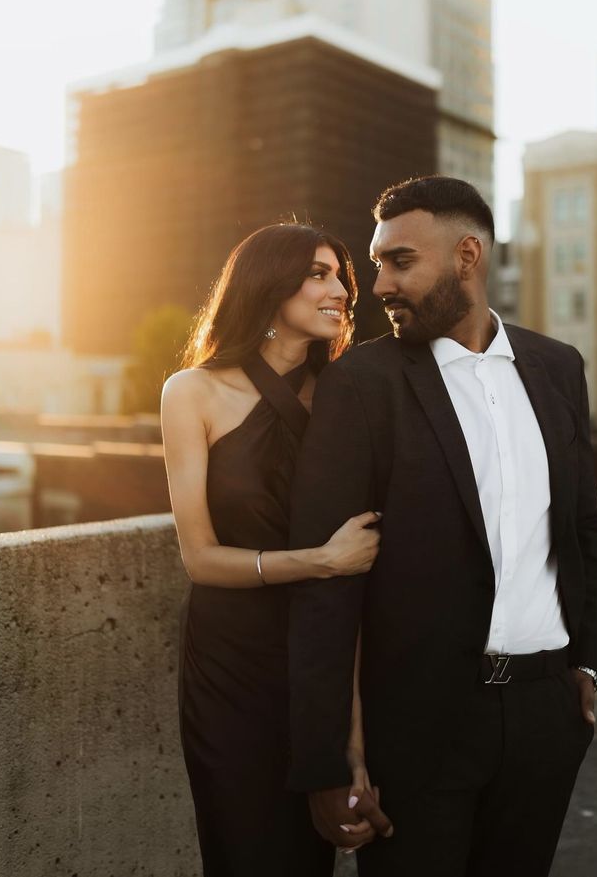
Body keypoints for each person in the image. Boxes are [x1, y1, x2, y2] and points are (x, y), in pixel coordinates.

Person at [286, 176, 597, 876]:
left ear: (467, 255)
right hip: (416, 731)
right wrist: (324, 760)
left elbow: (584, 526)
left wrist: (586, 664)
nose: (377, 284)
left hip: (543, 716)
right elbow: (324, 584)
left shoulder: (558, 368)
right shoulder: (360, 383)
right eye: (376, 264)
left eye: (399, 260)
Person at [160, 223, 386, 876]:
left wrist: (353, 737)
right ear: (267, 284)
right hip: (228, 667)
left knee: (311, 855)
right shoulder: (191, 393)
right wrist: (321, 559)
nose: (340, 288)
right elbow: (199, 557)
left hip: (324, 655)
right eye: (318, 273)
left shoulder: (351, 397)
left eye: (339, 274)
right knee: (244, 850)